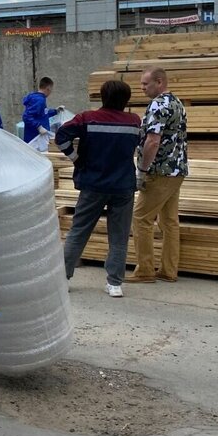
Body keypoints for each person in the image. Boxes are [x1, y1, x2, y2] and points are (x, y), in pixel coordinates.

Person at [55, 80, 142, 298]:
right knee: (119, 236)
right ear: (126, 100)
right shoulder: (133, 122)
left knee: (79, 231)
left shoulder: (87, 118)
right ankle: (114, 284)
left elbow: (60, 136)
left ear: (102, 97)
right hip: (123, 186)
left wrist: (76, 159)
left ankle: (63, 278)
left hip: (93, 184)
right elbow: (138, 146)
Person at [128, 67, 189, 284]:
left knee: (141, 218)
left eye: (146, 84)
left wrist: (142, 170)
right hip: (177, 169)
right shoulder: (177, 103)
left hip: (160, 170)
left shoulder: (158, 105)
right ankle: (168, 270)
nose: (142, 88)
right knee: (169, 221)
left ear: (159, 82)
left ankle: (145, 270)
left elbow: (153, 141)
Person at [22, 76, 63, 143]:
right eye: (51, 90)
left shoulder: (38, 98)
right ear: (48, 88)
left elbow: (43, 113)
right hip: (35, 137)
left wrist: (55, 111)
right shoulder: (39, 100)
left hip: (38, 137)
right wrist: (39, 127)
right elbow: (26, 116)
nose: (50, 92)